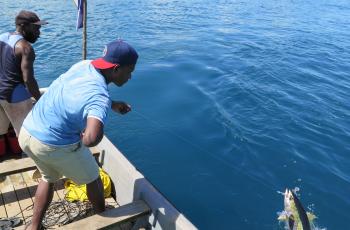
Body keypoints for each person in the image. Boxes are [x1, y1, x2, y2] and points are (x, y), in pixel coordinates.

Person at [18, 39, 138, 230]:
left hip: (28, 132)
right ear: (116, 69)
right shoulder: (99, 97)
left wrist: (113, 104)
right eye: (130, 70)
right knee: (93, 177)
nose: (131, 76)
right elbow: (91, 139)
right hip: (52, 144)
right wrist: (95, 124)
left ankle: (33, 227)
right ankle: (103, 217)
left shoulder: (85, 65)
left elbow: (81, 93)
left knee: (48, 177)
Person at [0, 10, 47, 138]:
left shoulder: (3, 37)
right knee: (27, 136)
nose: (39, 33)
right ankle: (27, 155)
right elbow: (28, 80)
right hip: (15, 98)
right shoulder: (26, 48)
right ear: (23, 26)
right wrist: (41, 100)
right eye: (36, 28)